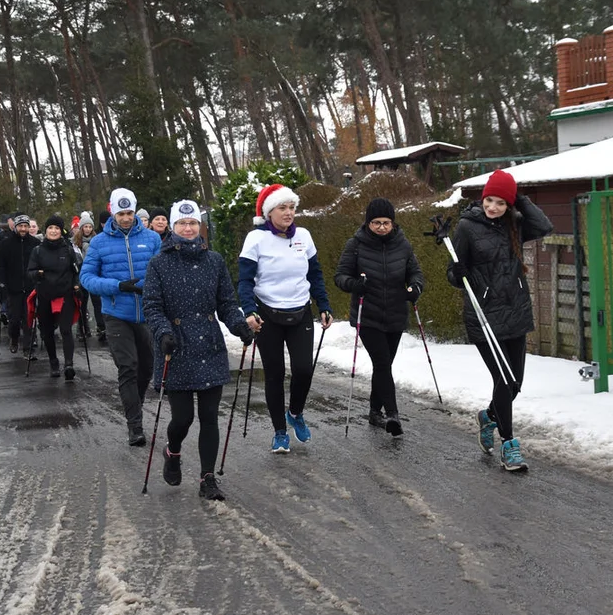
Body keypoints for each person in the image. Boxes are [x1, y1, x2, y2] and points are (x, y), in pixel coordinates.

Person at [144, 199, 253, 500]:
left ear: (199, 226)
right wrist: (163, 332)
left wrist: (239, 324)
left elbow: (226, 303)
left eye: (193, 223)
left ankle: (207, 479)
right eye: (182, 223)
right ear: (173, 227)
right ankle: (173, 450)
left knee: (208, 416)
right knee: (183, 418)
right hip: (175, 347)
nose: (189, 228)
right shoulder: (159, 263)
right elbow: (152, 306)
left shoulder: (214, 261)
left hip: (209, 345)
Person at [446, 169, 553, 472]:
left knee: (514, 383)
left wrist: (517, 197)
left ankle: (488, 417)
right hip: (485, 316)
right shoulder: (467, 227)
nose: (493, 207)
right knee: (503, 381)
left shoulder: (515, 225)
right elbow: (453, 271)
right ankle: (509, 444)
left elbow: (544, 226)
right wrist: (459, 274)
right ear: (482, 200)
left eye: (500, 202)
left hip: (516, 312)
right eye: (489, 200)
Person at [238, 183, 333, 453]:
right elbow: (244, 280)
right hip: (267, 314)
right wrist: (249, 310)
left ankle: (295, 412)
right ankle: (280, 432)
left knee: (303, 369)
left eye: (292, 207)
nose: (289, 212)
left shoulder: (304, 235)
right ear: (269, 212)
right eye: (283, 207)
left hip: (301, 310)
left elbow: (315, 274)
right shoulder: (255, 239)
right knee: (275, 374)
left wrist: (323, 304)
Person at [334, 197, 424, 437]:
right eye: (376, 222)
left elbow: (415, 272)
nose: (382, 227)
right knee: (383, 363)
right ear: (367, 223)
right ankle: (393, 414)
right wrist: (355, 284)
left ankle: (375, 412)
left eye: (386, 222)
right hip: (368, 315)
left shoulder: (403, 244)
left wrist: (415, 287)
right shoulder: (356, 245)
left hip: (395, 314)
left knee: (383, 366)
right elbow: (340, 277)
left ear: (393, 223)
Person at [80, 188, 162, 446]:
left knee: (146, 368)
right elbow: (86, 278)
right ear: (112, 212)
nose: (125, 218)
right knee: (128, 367)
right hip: (116, 313)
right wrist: (117, 286)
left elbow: (163, 272)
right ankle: (135, 426)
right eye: (120, 213)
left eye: (129, 213)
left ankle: (133, 403)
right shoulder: (99, 243)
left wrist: (152, 289)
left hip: (147, 313)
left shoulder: (151, 239)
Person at [27, 215, 81, 379]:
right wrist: (38, 273)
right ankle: (53, 362)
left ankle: (69, 365)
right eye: (51, 228)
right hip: (45, 294)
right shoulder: (37, 251)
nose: (53, 231)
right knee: (47, 332)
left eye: (57, 228)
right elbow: (29, 273)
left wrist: (77, 284)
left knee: (65, 330)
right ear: (46, 230)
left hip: (65, 293)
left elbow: (77, 270)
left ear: (61, 231)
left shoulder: (68, 250)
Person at [0, 213, 39, 356]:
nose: (24, 229)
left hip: (30, 288)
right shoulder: (6, 244)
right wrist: (1, 283)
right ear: (15, 227)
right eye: (21, 226)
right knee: (13, 320)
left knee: (28, 319)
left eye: (26, 226)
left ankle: (28, 348)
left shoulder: (35, 244)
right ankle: (14, 338)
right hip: (12, 288)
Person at [72, 212, 104, 341]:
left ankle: (101, 327)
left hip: (95, 275)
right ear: (81, 228)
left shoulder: (97, 241)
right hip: (81, 276)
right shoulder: (75, 243)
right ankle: (82, 329)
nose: (88, 229)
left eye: (90, 227)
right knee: (82, 304)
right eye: (85, 227)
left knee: (97, 303)